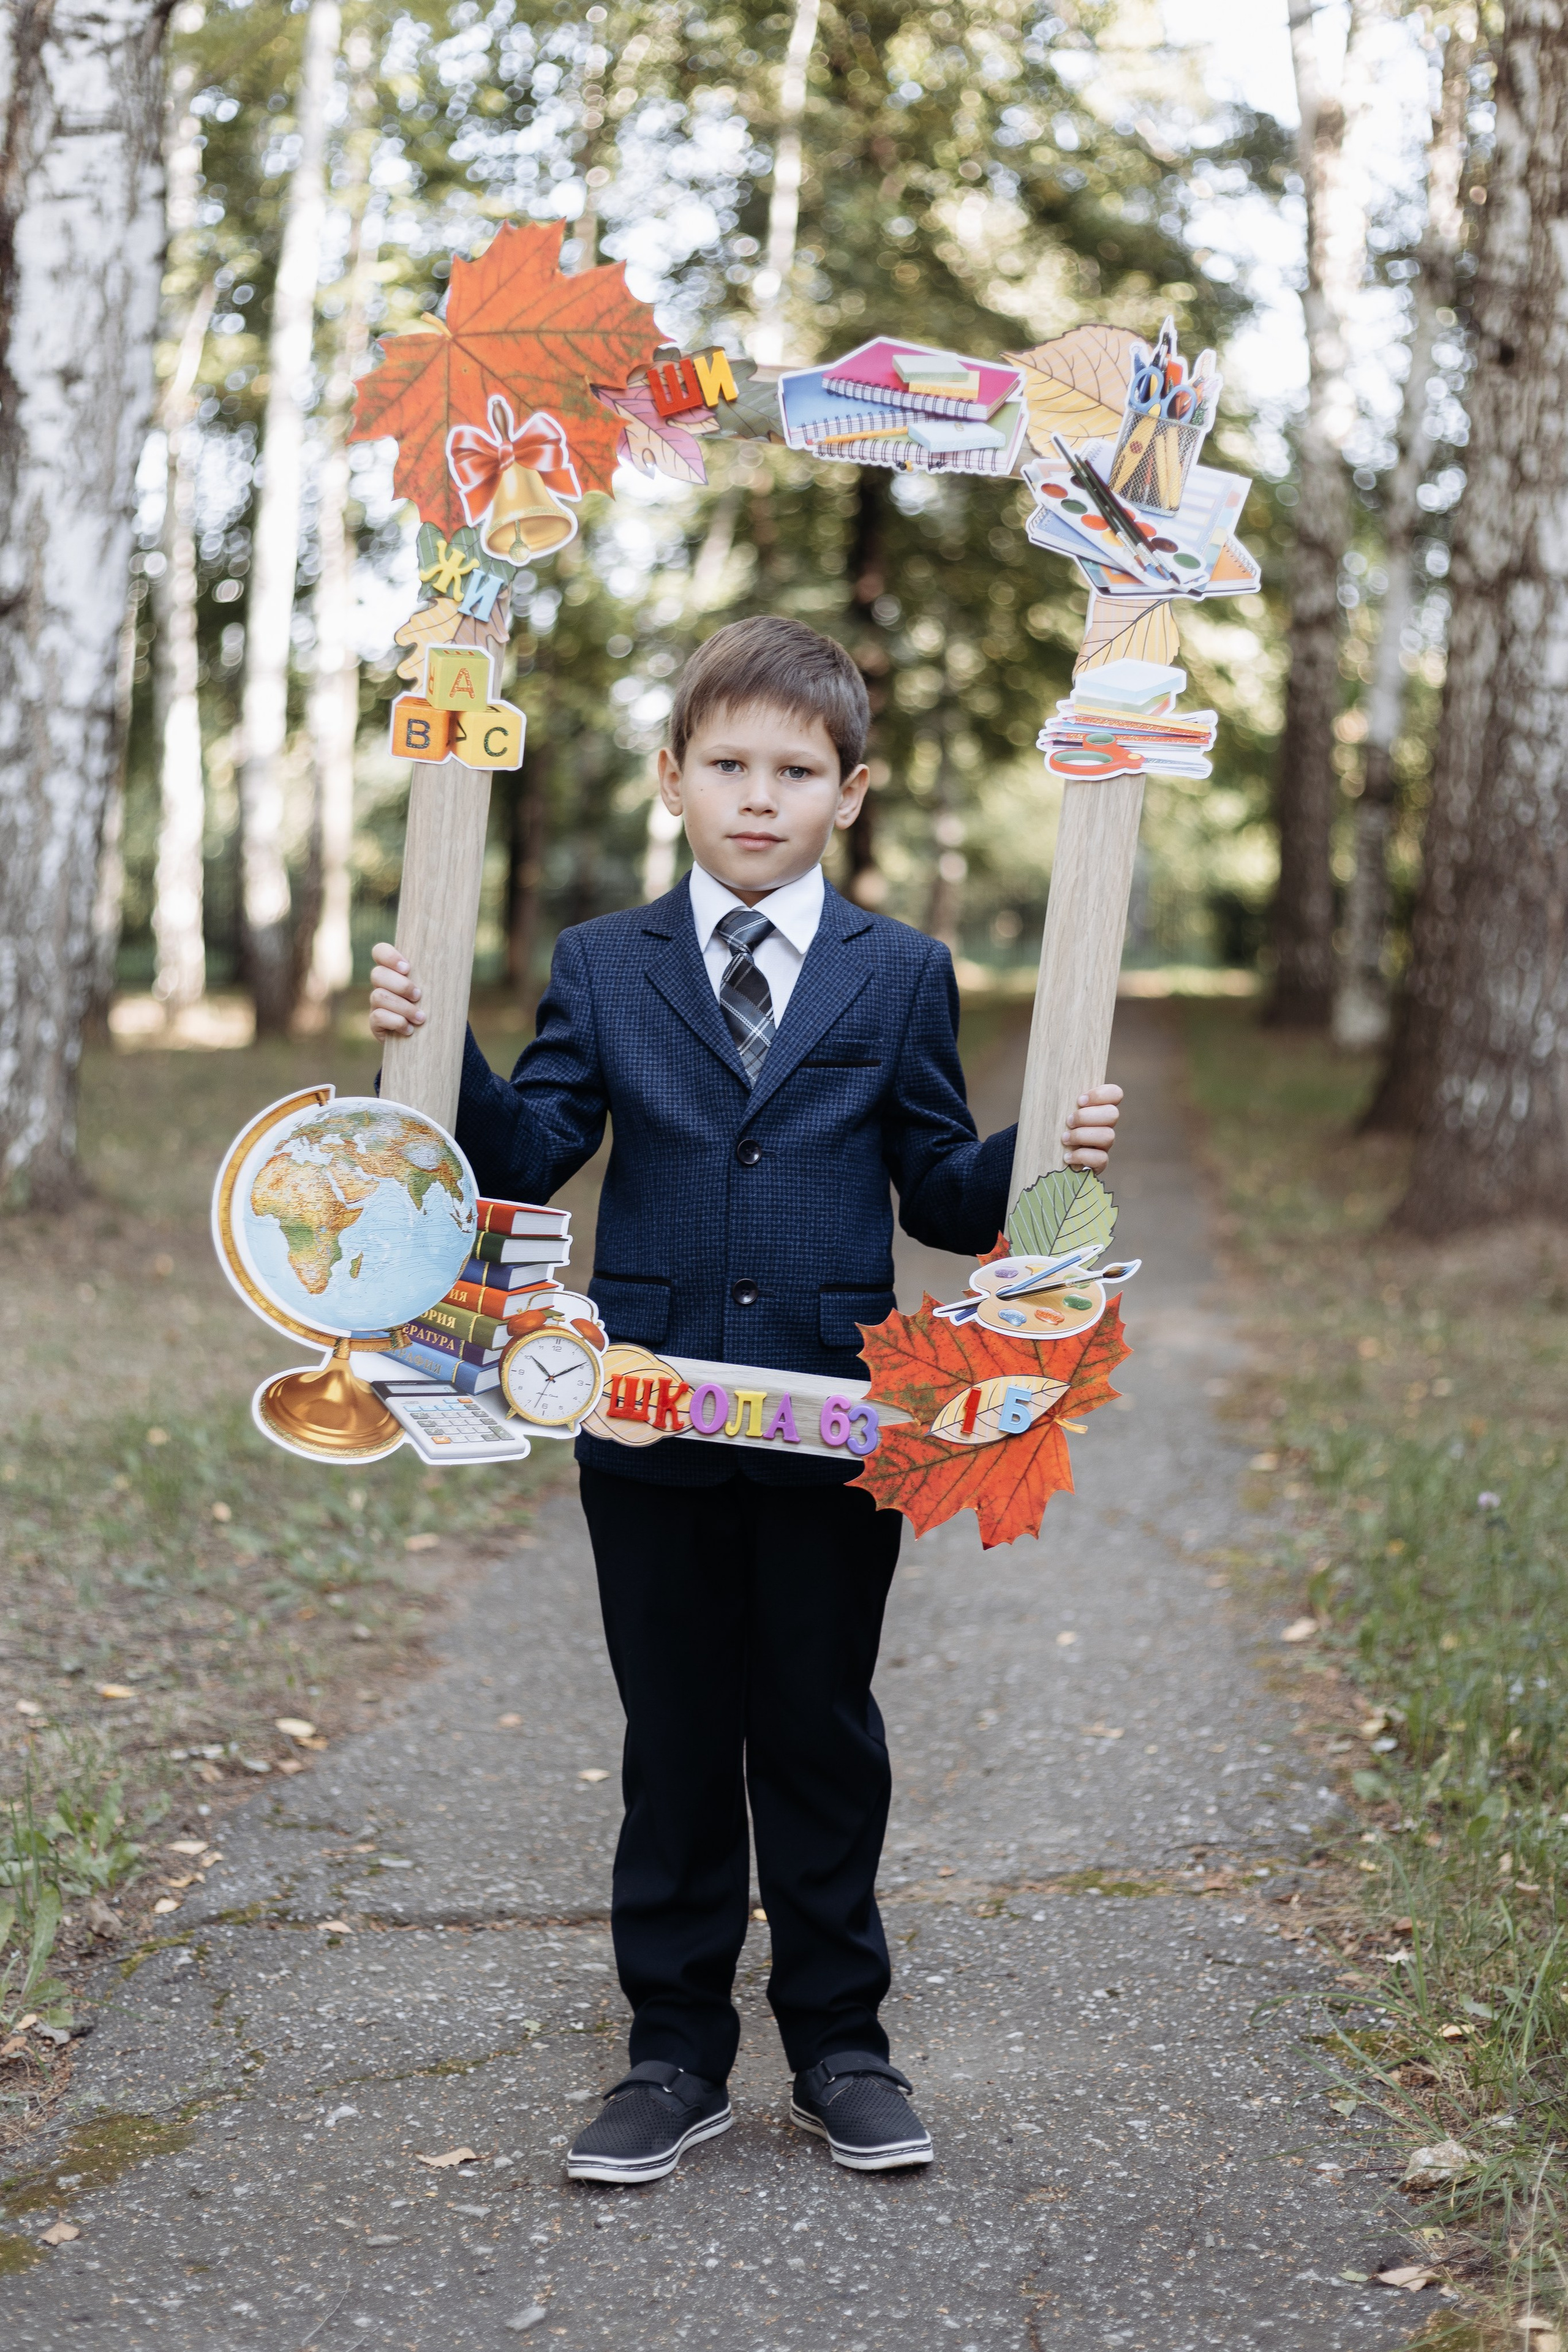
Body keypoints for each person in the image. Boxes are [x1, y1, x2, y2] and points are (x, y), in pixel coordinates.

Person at [369, 616, 1121, 2186]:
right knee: (677, 1732)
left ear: (849, 792)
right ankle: (671, 2054)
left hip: (833, 1420)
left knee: (817, 1728)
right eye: (728, 765)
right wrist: (432, 1054)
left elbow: (943, 1189)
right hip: (644, 1411)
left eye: (795, 770)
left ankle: (842, 2043)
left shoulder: (901, 971)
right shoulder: (601, 962)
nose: (758, 796)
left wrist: (1051, 1142)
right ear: (672, 779)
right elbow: (528, 1156)